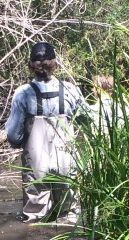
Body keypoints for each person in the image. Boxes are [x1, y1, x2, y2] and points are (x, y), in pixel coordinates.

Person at [5, 41, 87, 224]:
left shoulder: (23, 93)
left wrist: (21, 142)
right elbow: (86, 120)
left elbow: (13, 135)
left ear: (30, 65)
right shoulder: (70, 90)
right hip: (66, 158)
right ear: (55, 62)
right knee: (69, 214)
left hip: (36, 161)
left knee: (35, 216)